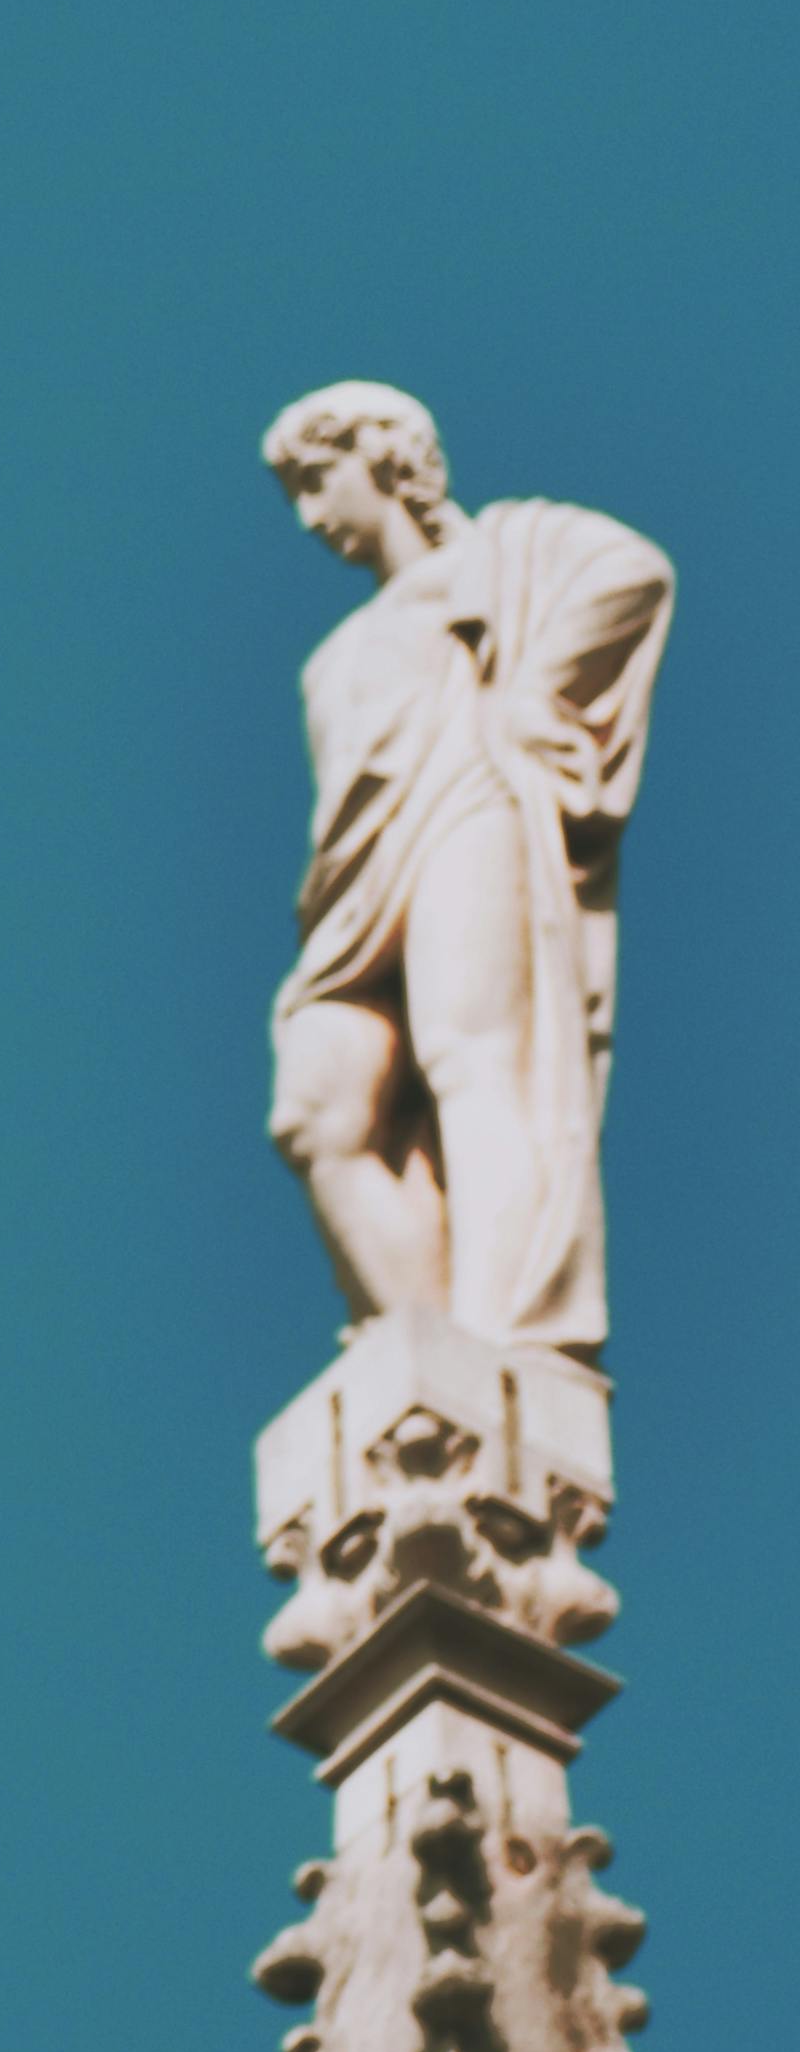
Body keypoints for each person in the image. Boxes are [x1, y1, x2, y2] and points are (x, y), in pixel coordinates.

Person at [263, 383, 669, 1359]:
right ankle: (423, 1343)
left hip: (469, 804)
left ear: (381, 455)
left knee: (472, 1056)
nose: (310, 517)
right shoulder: (327, 663)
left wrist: (534, 694)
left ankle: (501, 1339)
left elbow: (634, 570)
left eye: (316, 481)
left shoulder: (507, 552)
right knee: (315, 1113)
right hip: (349, 891)